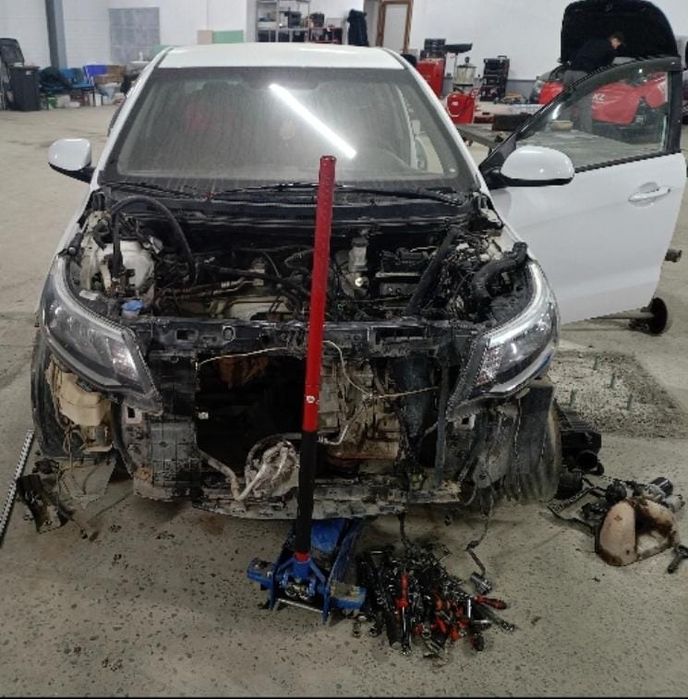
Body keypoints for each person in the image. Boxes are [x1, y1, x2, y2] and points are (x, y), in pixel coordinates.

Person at [563, 32, 625, 132]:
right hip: (582, 75)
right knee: (585, 106)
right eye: (618, 44)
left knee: (567, 103)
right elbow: (604, 69)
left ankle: (563, 129)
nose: (617, 46)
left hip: (569, 73)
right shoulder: (610, 50)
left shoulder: (592, 42)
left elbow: (575, 54)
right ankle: (586, 132)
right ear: (614, 40)